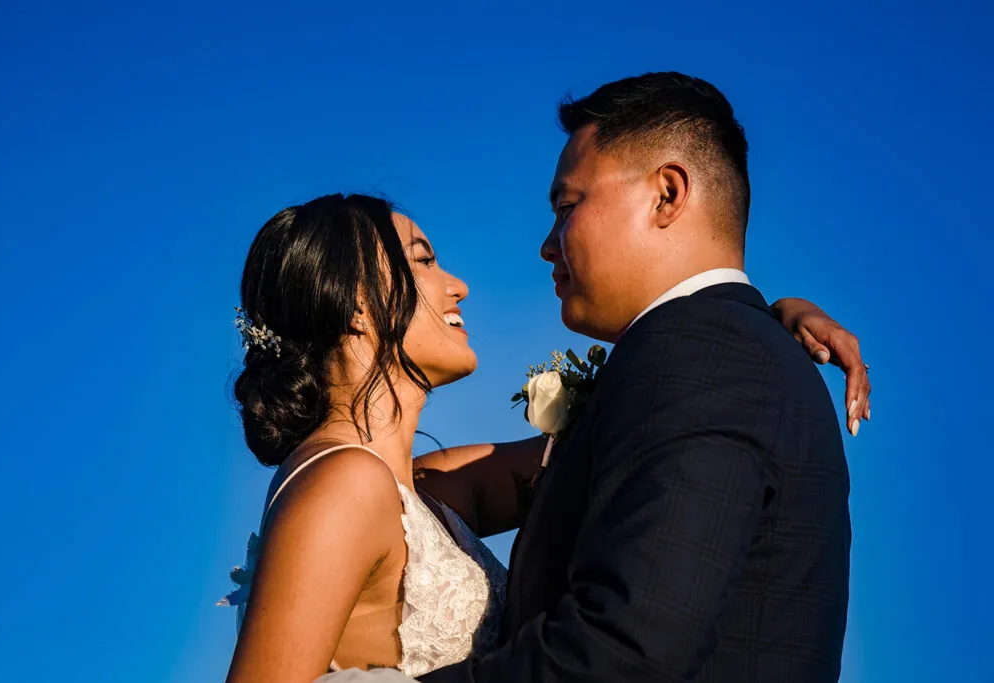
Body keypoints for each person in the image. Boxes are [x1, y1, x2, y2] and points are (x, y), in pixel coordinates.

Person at [221, 172, 867, 681]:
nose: (459, 286)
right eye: (422, 259)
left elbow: (641, 431)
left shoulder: (427, 494)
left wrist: (760, 316)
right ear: (357, 303)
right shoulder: (342, 484)